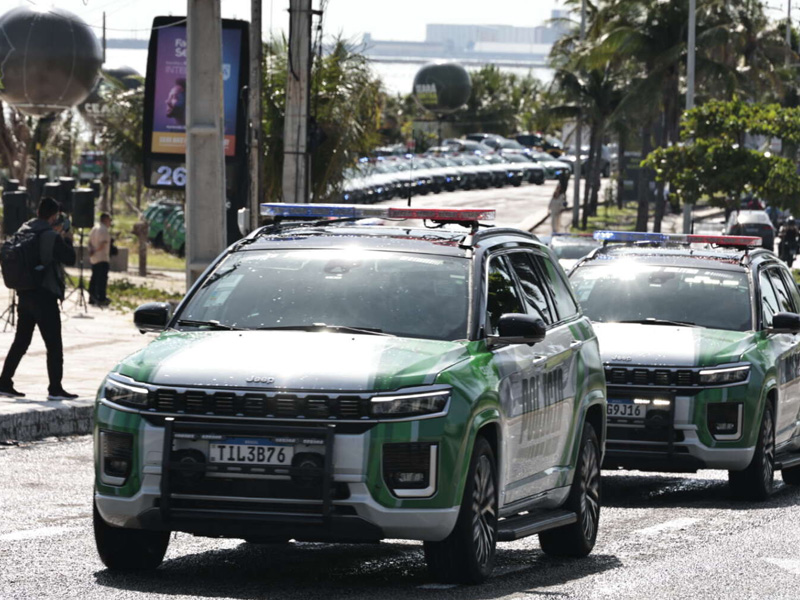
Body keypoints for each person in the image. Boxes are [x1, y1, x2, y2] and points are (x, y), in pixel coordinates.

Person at [0, 197, 78, 401]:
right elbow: (70, 258)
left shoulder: (24, 230)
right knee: (54, 345)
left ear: (38, 213)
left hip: (24, 294)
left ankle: (4, 382)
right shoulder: (51, 236)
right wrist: (66, 238)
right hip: (45, 295)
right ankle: (55, 388)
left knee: (21, 341)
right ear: (54, 216)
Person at [88, 213, 112, 306]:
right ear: (105, 220)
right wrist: (96, 250)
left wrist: (91, 251)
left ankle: (92, 297)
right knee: (102, 279)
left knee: (94, 278)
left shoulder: (94, 228)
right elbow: (103, 243)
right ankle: (101, 298)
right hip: (102, 257)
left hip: (94, 258)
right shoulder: (103, 229)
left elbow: (89, 242)